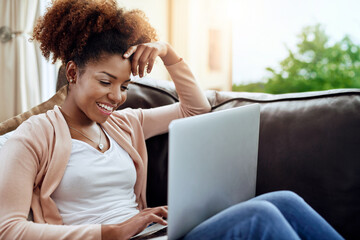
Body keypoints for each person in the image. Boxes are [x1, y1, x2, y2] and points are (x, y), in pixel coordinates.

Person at [0, 0, 344, 239]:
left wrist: (169, 53)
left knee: (282, 199)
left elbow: (196, 110)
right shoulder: (34, 135)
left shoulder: (124, 124)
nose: (117, 97)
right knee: (261, 217)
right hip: (112, 238)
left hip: (154, 235)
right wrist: (111, 233)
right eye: (105, 82)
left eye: (124, 85)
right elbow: (9, 228)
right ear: (73, 73)